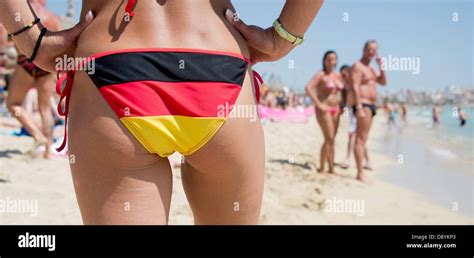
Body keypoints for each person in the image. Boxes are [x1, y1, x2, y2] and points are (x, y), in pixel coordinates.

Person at [1, 0, 323, 224]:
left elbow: (29, 34)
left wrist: (29, 36)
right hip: (218, 63)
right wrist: (284, 37)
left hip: (114, 64)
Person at [4, 0, 61, 159]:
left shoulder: (22, 11)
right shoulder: (54, 18)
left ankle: (37, 136)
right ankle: (48, 151)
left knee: (13, 104)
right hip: (47, 66)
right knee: (45, 109)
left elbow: (7, 40)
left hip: (27, 62)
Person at [351, 40, 387, 182]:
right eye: (369, 49)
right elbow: (354, 86)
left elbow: (383, 82)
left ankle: (361, 170)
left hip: (371, 105)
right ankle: (360, 173)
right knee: (360, 140)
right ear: (364, 49)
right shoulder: (358, 66)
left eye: (374, 50)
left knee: (363, 139)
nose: (371, 52)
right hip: (363, 105)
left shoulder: (371, 69)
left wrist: (381, 67)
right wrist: (358, 106)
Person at [306, 50, 344, 175]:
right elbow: (308, 88)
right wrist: (319, 104)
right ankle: (322, 167)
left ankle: (331, 168)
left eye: (334, 59)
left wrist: (343, 105)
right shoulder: (321, 75)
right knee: (329, 138)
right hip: (324, 109)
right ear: (324, 61)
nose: (332, 61)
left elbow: (343, 91)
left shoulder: (338, 75)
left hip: (336, 110)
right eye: (329, 59)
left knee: (333, 140)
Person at [338, 65, 371, 170]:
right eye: (342, 75)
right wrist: (345, 112)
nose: (343, 77)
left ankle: (366, 160)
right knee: (353, 135)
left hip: (359, 109)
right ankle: (349, 159)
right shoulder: (346, 85)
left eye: (344, 74)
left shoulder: (356, 82)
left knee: (360, 138)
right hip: (351, 110)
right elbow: (346, 101)